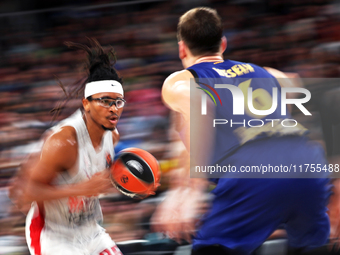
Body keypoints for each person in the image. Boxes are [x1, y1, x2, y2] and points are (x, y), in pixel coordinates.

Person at [152, 7, 339, 255]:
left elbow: (200, 106)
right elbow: (323, 98)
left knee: (212, 249)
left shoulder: (180, 80)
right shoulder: (270, 73)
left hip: (253, 170)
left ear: (182, 48)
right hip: (307, 164)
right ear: (223, 44)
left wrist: (188, 190)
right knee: (312, 246)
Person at [10, 38, 124, 255]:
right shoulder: (63, 141)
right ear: (86, 104)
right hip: (53, 234)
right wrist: (82, 190)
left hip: (90, 231)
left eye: (118, 102)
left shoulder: (114, 136)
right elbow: (22, 192)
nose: (113, 109)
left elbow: (97, 179)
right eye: (105, 101)